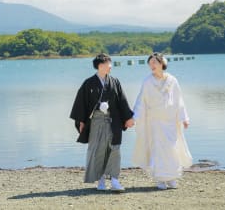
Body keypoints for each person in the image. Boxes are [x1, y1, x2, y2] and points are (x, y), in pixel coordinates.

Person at [70, 53, 134, 192]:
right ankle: (101, 180)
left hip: (113, 119)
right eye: (107, 64)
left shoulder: (115, 81)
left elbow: (122, 101)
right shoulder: (89, 83)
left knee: (114, 149)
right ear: (99, 66)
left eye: (110, 63)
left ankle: (115, 180)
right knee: (97, 149)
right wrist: (80, 121)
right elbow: (81, 103)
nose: (110, 66)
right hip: (96, 121)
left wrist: (128, 117)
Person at [132, 52, 193, 190]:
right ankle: (160, 179)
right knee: (158, 150)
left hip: (171, 122)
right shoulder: (147, 81)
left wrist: (184, 118)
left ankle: (172, 178)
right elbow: (141, 101)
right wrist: (134, 117)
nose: (151, 65)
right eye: (150, 63)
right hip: (155, 122)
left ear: (161, 64)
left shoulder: (172, 80)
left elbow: (179, 100)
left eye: (154, 62)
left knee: (172, 149)